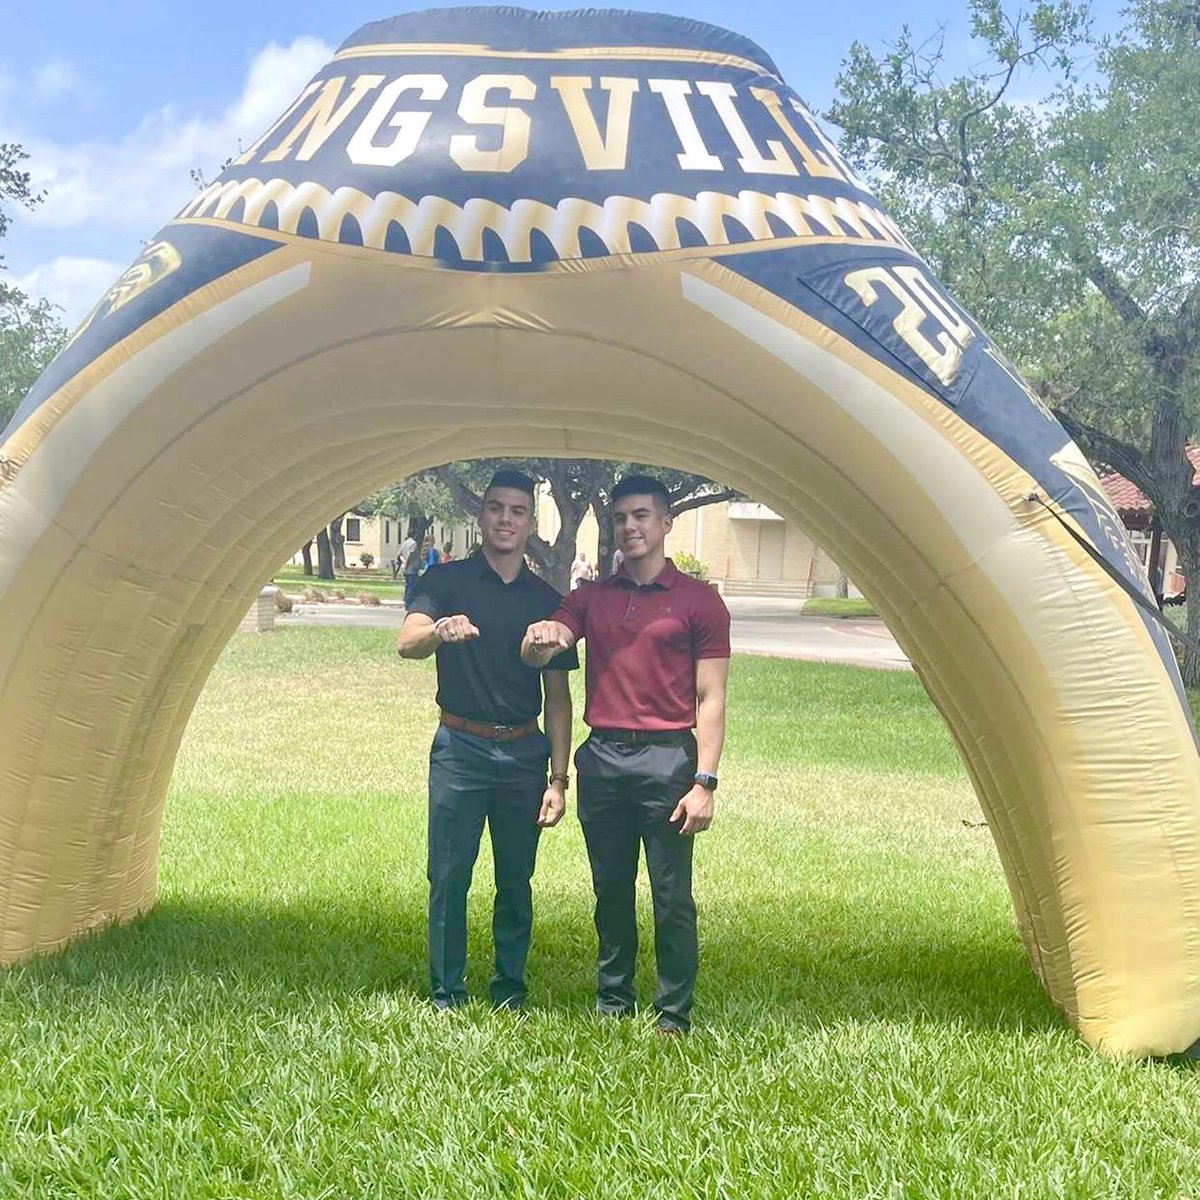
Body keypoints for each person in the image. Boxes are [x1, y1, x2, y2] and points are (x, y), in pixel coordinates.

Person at [521, 474, 730, 1034]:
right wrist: (540, 636)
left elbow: (711, 698)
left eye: (642, 516)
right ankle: (614, 1002)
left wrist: (704, 782)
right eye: (620, 518)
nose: (630, 527)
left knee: (670, 895)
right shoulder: (592, 597)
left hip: (669, 762)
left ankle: (673, 1014)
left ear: (665, 524)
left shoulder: (700, 603)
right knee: (610, 888)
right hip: (604, 761)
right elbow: (549, 644)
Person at [398, 469, 579, 1011]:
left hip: (525, 753)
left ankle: (509, 989)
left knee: (515, 880)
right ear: (481, 516)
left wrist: (559, 779)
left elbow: (560, 698)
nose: (506, 519)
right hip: (461, 749)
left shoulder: (547, 600)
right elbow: (407, 642)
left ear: (530, 523)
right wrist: (437, 632)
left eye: (517, 511)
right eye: (496, 508)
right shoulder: (447, 581)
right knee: (449, 876)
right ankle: (447, 992)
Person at [399, 531, 420, 607]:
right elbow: (409, 556)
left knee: (407, 585)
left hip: (406, 568)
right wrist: (406, 564)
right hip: (411, 568)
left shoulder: (405, 543)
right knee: (411, 585)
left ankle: (406, 601)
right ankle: (409, 603)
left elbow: (400, 554)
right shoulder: (413, 543)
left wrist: (403, 563)